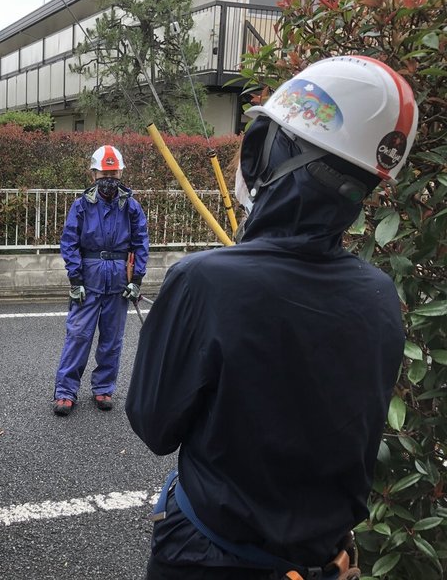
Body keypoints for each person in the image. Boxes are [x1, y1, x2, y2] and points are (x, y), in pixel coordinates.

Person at [126, 56, 419, 580]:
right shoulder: (379, 293)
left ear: (270, 152)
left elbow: (154, 424)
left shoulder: (203, 282)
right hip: (326, 559)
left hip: (207, 557)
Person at [53, 145, 149, 415]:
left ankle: (104, 388)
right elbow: (69, 241)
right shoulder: (81, 204)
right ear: (92, 173)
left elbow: (141, 242)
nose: (110, 179)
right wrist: (75, 279)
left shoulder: (130, 205)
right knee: (78, 336)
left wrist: (137, 279)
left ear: (121, 173)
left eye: (114, 173)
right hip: (89, 277)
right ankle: (65, 391)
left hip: (119, 279)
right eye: (104, 173)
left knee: (112, 338)